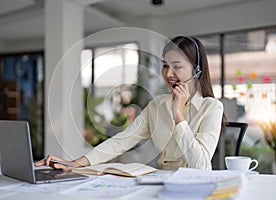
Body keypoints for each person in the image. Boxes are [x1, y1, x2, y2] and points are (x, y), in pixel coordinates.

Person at [36, 36, 227, 171]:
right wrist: (76, 163)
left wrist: (179, 116)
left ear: (197, 70)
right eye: (165, 65)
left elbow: (200, 166)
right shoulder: (157, 106)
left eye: (177, 66)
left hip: (197, 189)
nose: (168, 74)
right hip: (162, 183)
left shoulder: (212, 108)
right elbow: (123, 140)